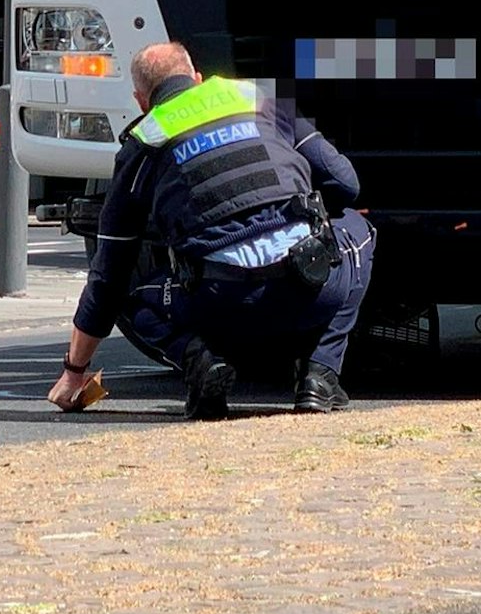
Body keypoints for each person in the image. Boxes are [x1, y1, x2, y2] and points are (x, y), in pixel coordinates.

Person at [47, 43, 374, 419]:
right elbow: (345, 183)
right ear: (198, 78)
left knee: (127, 293)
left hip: (219, 304)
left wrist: (74, 373)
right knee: (359, 228)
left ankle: (200, 362)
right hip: (307, 283)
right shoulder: (257, 98)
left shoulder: (143, 142)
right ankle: (320, 374)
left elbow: (107, 278)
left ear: (142, 101)